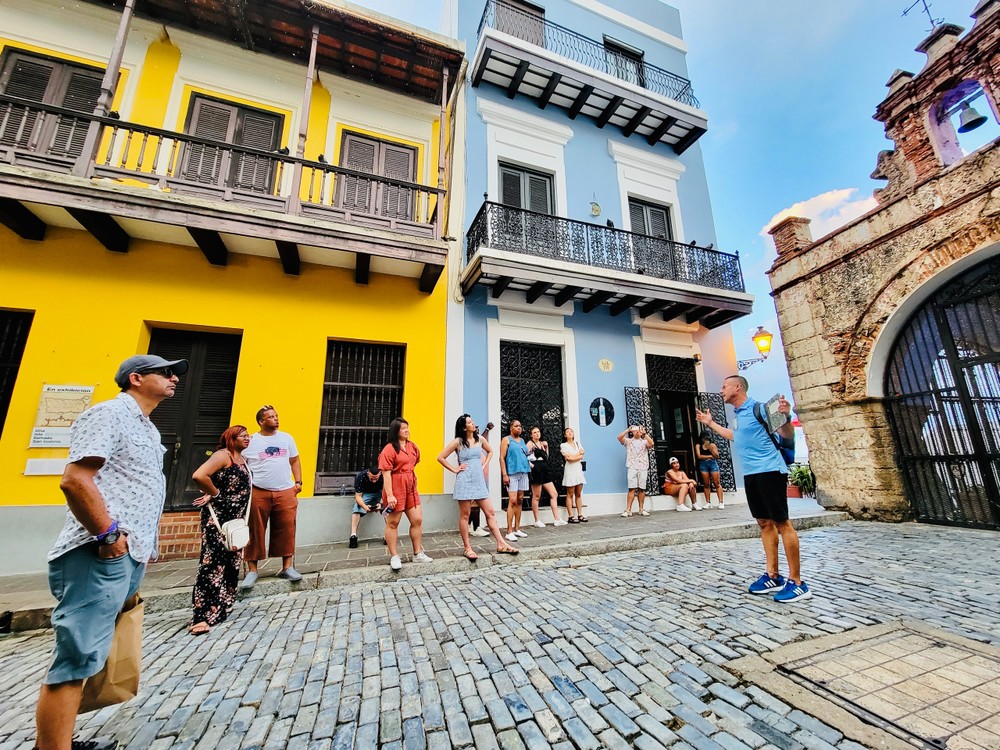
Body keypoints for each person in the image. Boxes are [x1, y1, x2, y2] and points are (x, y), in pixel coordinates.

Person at [34, 353, 187, 750]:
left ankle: (58, 740)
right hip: (99, 552)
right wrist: (107, 536)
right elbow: (75, 481)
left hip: (127, 552)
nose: (173, 378)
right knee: (77, 656)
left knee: (92, 652)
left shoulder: (148, 428)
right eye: (165, 372)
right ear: (136, 378)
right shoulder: (108, 414)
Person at [696, 375, 810, 603]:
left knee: (782, 524)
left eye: (724, 386)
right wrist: (710, 424)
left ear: (737, 387)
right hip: (751, 475)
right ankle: (772, 575)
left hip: (770, 471)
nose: (721, 390)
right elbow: (735, 436)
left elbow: (786, 433)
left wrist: (786, 417)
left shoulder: (760, 409)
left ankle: (797, 583)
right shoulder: (738, 416)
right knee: (764, 523)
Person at [189, 425, 252, 635]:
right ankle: (203, 615)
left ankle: (223, 605)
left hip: (236, 520)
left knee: (232, 562)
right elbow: (200, 476)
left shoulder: (242, 460)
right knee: (212, 563)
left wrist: (214, 491)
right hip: (218, 519)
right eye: (242, 435)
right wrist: (214, 494)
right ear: (230, 438)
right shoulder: (222, 455)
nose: (247, 438)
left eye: (248, 435)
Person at [437, 414, 519, 559]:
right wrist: (455, 469)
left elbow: (491, 451)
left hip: (479, 481)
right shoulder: (458, 442)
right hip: (464, 481)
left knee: (490, 512)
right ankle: (467, 548)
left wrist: (485, 464)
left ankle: (501, 543)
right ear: (464, 427)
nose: (473, 423)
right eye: (469, 422)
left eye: (472, 421)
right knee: (465, 515)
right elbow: (440, 457)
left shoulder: (479, 439)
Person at [242, 405, 303, 587]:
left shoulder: (286, 438)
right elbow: (242, 465)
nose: (276, 419)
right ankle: (252, 570)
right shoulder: (251, 441)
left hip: (285, 490)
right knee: (255, 529)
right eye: (271, 417)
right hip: (259, 490)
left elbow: (295, 460)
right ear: (261, 422)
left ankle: (287, 567)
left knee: (287, 528)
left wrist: (298, 483)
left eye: (276, 416)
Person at [380, 417, 432, 570]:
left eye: (407, 427)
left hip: (410, 486)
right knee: (393, 523)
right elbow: (386, 474)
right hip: (395, 487)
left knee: (417, 519)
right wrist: (390, 495)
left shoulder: (412, 447)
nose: (407, 430)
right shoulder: (389, 449)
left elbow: (414, 462)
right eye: (403, 428)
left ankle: (417, 553)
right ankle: (394, 555)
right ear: (396, 431)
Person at [526, 426, 566, 527]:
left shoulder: (542, 443)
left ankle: (557, 519)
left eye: (538, 432)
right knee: (537, 496)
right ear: (531, 435)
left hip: (544, 470)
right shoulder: (530, 443)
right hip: (536, 470)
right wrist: (532, 465)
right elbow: (524, 456)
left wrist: (546, 447)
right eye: (534, 432)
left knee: (554, 494)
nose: (537, 434)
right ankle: (537, 520)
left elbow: (546, 457)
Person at [499, 420, 531, 542]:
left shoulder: (522, 441)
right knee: (512, 500)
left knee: (520, 499)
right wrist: (504, 474)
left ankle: (517, 528)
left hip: (523, 472)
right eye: (516, 426)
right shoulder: (506, 440)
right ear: (511, 428)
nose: (519, 428)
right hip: (512, 473)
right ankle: (509, 531)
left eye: (520, 426)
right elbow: (501, 458)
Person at [618, 424, 655, 517]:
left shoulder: (644, 441)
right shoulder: (628, 441)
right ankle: (628, 509)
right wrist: (627, 430)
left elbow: (651, 443)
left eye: (638, 430)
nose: (637, 432)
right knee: (631, 488)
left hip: (643, 466)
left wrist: (644, 434)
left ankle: (641, 509)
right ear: (632, 432)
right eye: (635, 430)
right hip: (632, 466)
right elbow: (619, 437)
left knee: (642, 488)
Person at [468, 421, 494, 537]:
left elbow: (483, 439)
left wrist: (487, 430)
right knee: (474, 504)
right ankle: (474, 527)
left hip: (480, 477)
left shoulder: (478, 441)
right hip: (472, 478)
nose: (477, 431)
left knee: (475, 504)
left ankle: (472, 527)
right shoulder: (466, 445)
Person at [349, 465, 384, 549]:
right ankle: (353, 536)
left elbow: (386, 492)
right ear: (368, 474)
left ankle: (388, 535)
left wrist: (381, 503)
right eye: (372, 478)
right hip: (366, 493)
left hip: (380, 493)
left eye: (376, 478)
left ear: (380, 473)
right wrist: (364, 506)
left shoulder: (384, 476)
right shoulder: (361, 476)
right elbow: (358, 496)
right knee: (356, 508)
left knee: (387, 508)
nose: (374, 481)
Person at [560, 427, 588, 523]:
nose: (570, 433)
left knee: (578, 493)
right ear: (565, 435)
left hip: (578, 470)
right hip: (570, 470)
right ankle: (571, 515)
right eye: (567, 432)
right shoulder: (563, 445)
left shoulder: (577, 443)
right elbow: (569, 459)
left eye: (571, 431)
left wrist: (574, 456)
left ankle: (580, 514)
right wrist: (577, 455)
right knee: (570, 493)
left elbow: (582, 454)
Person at [696, 435, 725, 510]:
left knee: (717, 483)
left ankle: (721, 502)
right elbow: (699, 456)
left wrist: (711, 450)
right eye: (704, 438)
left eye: (707, 438)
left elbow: (716, 456)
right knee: (706, 484)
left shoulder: (712, 445)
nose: (706, 440)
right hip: (703, 464)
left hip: (712, 464)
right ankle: (708, 502)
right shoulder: (698, 445)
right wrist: (709, 456)